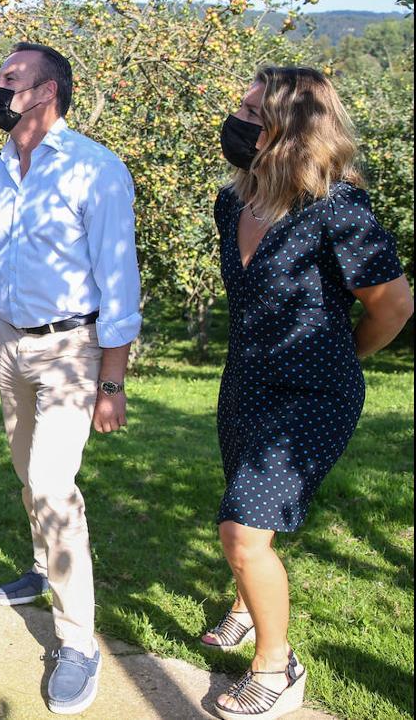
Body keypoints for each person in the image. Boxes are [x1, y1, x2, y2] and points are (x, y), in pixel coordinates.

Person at [203, 67, 411, 720]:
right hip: (245, 383)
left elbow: (395, 306)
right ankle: (244, 604)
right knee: (243, 518)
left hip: (313, 395)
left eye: (250, 109)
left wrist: (345, 357)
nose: (235, 118)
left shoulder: (338, 211)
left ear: (290, 129)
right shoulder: (231, 203)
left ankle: (278, 665)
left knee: (240, 532)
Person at [0, 42, 141, 715]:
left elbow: (119, 282)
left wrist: (112, 383)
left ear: (48, 92)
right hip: (11, 342)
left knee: (51, 485)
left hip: (72, 349)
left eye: (10, 78)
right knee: (23, 468)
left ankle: (78, 642)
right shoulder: (0, 169)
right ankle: (42, 568)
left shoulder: (96, 170)